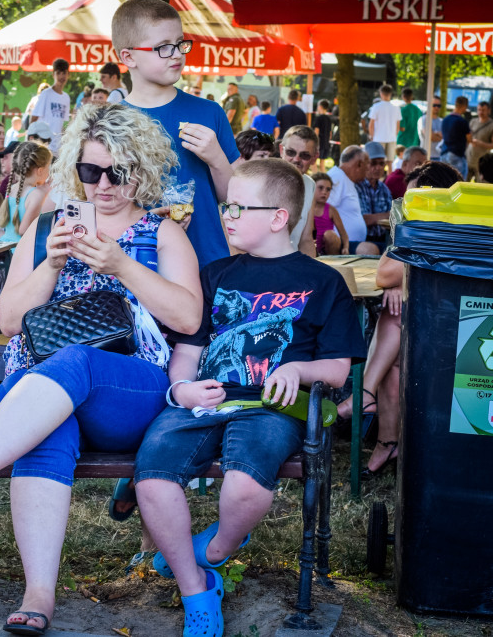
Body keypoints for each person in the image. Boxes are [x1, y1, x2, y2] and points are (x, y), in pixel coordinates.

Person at [0, 103, 203, 635]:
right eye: (91, 172)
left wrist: (122, 265)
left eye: (119, 172)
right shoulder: (51, 226)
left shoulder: (161, 234)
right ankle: (38, 594)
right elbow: (8, 318)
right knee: (49, 425)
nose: (103, 185)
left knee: (74, 362)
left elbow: (187, 315)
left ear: (143, 168)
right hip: (41, 392)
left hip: (127, 391)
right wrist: (50, 263)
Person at [135, 158, 365, 637]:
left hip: (271, 407)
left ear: (279, 217)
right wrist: (181, 388)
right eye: (226, 205)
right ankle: (196, 589)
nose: (228, 215)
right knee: (153, 475)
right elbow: (188, 348)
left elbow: (339, 369)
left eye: (240, 206)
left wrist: (298, 368)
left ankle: (214, 551)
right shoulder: (214, 274)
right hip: (207, 398)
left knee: (244, 484)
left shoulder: (324, 283)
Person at [336, 161, 462, 478]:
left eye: (415, 196)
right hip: (433, 320)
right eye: (406, 198)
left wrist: (403, 280)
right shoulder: (415, 225)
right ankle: (389, 442)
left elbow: (386, 273)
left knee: (396, 315)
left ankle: (365, 397)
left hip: (460, 324)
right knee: (394, 353)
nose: (407, 204)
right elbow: (385, 275)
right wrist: (404, 281)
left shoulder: (455, 225)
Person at [112, 0, 240, 269]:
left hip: (209, 261)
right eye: (163, 47)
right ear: (128, 56)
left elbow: (236, 199)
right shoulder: (112, 124)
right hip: (139, 264)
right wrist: (148, 222)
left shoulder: (210, 112)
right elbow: (104, 203)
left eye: (180, 43)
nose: (178, 54)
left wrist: (217, 159)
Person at [0, 141, 52, 243]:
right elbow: (23, 230)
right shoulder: (36, 195)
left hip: (4, 246)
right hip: (20, 251)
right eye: (49, 167)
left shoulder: (12, 188)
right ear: (40, 171)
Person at [278, 125, 319, 256]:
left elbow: (306, 239)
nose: (296, 159)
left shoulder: (309, 184)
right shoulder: (262, 179)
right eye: (290, 152)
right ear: (281, 150)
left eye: (304, 155)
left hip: (292, 263)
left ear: (314, 158)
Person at [326, 145, 375, 254]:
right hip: (342, 245)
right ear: (359, 164)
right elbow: (321, 210)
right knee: (370, 250)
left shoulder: (345, 179)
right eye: (366, 167)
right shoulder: (336, 178)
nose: (367, 171)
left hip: (352, 243)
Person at [29, 58, 72, 153]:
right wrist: (31, 141)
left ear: (68, 75)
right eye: (58, 73)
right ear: (53, 75)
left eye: (64, 73)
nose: (61, 76)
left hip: (57, 148)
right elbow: (34, 118)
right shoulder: (46, 94)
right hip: (44, 145)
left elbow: (61, 124)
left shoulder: (66, 98)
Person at [357, 142, 393, 250]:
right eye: (373, 163)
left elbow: (394, 217)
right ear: (364, 164)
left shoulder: (384, 189)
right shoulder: (357, 187)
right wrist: (387, 215)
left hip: (384, 239)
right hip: (363, 241)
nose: (378, 167)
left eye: (381, 163)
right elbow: (363, 220)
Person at [310, 172, 349, 255]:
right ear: (311, 188)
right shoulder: (305, 208)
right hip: (309, 248)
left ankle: (333, 263)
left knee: (330, 235)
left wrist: (346, 247)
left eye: (328, 189)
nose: (324, 192)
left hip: (328, 251)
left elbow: (344, 234)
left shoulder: (331, 210)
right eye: (320, 188)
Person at [440, 96, 471, 180]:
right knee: (458, 181)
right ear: (465, 106)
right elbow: (469, 139)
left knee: (444, 180)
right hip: (457, 154)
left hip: (444, 153)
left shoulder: (445, 120)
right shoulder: (462, 121)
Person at [368, 84, 400, 161]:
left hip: (378, 138)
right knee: (390, 162)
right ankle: (390, 173)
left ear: (381, 93)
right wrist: (394, 135)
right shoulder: (396, 107)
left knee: (378, 160)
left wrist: (372, 136)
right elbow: (398, 125)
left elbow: (371, 124)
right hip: (392, 138)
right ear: (390, 94)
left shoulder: (376, 106)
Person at [467, 101, 493, 182]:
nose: (481, 112)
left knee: (481, 185)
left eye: (483, 110)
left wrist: (480, 143)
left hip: (482, 163)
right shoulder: (473, 122)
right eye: (479, 110)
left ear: (489, 111)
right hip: (469, 159)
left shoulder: (491, 125)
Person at [313, 100, 333, 172]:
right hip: (326, 144)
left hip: (319, 143)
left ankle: (315, 178)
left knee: (313, 162)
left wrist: (314, 142)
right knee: (322, 163)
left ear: (320, 107)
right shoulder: (329, 119)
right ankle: (322, 178)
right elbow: (330, 133)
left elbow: (316, 131)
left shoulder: (319, 118)